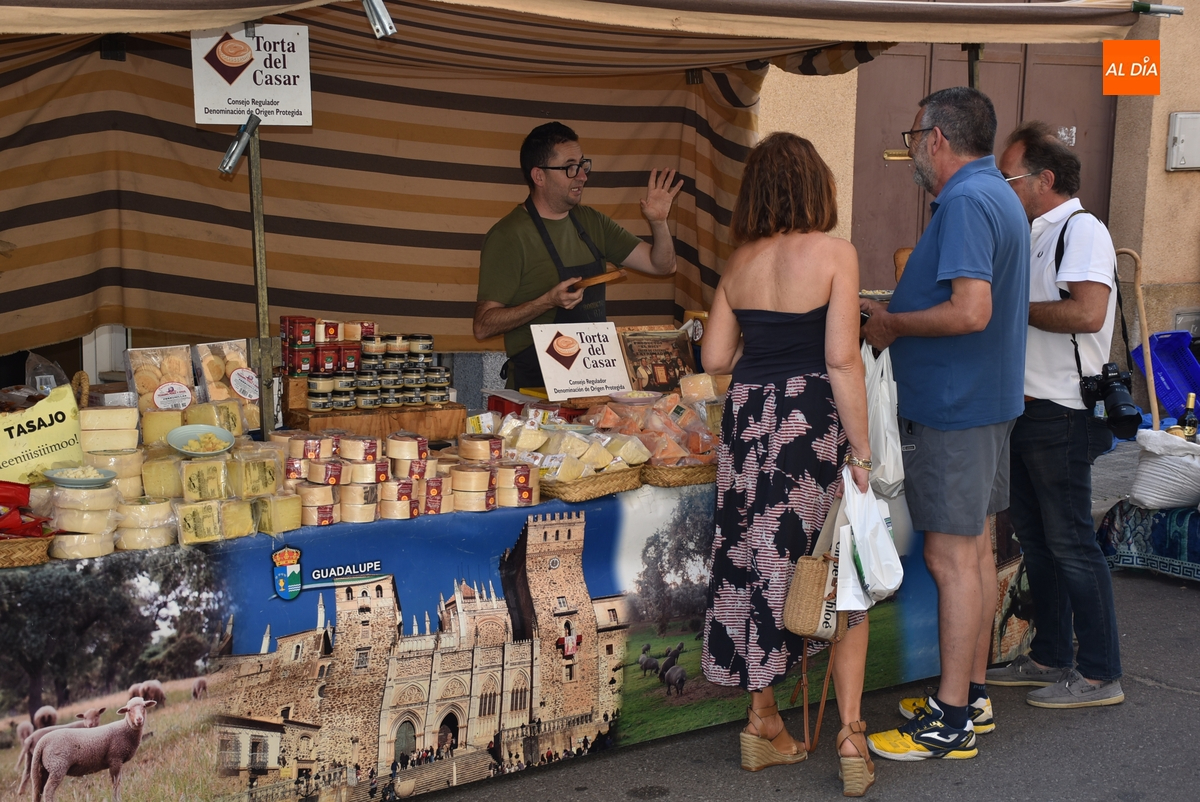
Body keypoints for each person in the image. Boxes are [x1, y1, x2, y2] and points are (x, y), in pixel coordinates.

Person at [700, 132, 875, 797]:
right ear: (815, 187)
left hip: (749, 419)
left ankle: (763, 722)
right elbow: (842, 358)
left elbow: (715, 358)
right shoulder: (835, 253)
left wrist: (763, 344)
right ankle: (851, 736)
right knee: (836, 568)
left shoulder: (740, 262)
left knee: (755, 562)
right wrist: (862, 450)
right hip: (810, 420)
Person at [860, 87, 1030, 761]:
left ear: (937, 138)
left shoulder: (965, 201)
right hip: (982, 402)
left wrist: (892, 324)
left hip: (956, 409)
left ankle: (950, 719)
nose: (910, 152)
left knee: (951, 558)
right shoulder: (996, 194)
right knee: (976, 553)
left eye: (912, 138)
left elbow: (970, 310)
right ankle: (971, 696)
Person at [987, 121, 1124, 707]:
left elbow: (1088, 313)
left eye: (1009, 177)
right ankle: (1050, 656)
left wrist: (1009, 306)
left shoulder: (1081, 229)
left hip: (1062, 411)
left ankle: (1100, 673)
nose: (1002, 186)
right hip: (1026, 409)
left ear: (1044, 179)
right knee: (1038, 542)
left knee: (1070, 542)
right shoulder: (1033, 232)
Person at [474, 121, 684, 389]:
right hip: (538, 387)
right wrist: (547, 301)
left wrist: (659, 222)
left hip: (594, 377)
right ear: (539, 176)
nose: (583, 176)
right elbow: (483, 326)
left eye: (583, 165)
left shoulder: (592, 222)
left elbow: (662, 265)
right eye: (570, 167)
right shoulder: (509, 236)